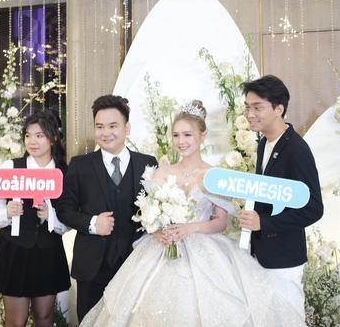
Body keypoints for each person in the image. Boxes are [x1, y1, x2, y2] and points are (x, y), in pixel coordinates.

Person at [80, 100, 305, 326]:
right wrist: (157, 231)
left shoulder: (214, 175)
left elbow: (221, 222)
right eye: (176, 135)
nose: (181, 141)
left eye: (187, 135)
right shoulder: (162, 172)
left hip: (205, 250)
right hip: (160, 251)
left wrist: (191, 228)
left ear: (202, 135)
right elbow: (148, 215)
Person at [55, 95, 158, 322]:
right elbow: (64, 209)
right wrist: (92, 223)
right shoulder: (80, 165)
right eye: (99, 126)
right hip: (92, 269)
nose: (106, 132)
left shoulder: (148, 163)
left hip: (136, 265)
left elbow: (158, 208)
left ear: (126, 128)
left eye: (113, 126)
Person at [239, 75, 324, 320]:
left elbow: (314, 208)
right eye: (247, 107)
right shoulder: (264, 143)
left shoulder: (296, 149)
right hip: (263, 254)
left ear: (279, 109)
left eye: (257, 107)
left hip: (284, 258)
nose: (250, 114)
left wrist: (263, 223)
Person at [0, 110, 71, 327]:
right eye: (28, 135)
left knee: (44, 316)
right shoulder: (10, 167)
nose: (32, 141)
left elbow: (70, 217)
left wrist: (51, 216)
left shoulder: (64, 173)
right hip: (14, 250)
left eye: (39, 135)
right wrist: (6, 212)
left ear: (54, 138)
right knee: (16, 320)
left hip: (48, 251)